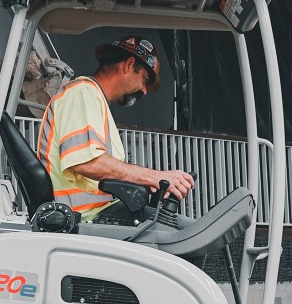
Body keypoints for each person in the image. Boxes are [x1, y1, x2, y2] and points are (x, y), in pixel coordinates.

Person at [36, 36, 194, 223]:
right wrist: (155, 177)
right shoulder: (83, 93)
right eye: (144, 79)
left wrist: (147, 183)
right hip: (84, 217)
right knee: (186, 232)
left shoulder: (94, 100)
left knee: (183, 229)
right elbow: (87, 163)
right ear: (129, 65)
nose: (144, 90)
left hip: (92, 213)